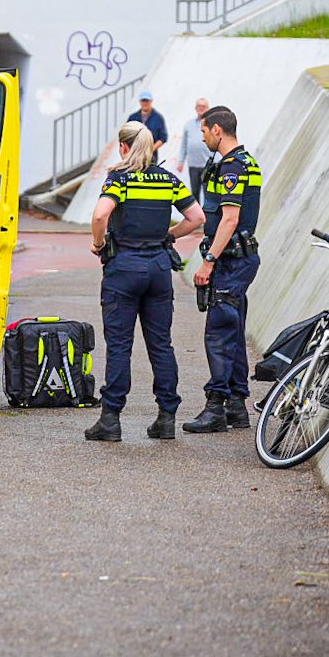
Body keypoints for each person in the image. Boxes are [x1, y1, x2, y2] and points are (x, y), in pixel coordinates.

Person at [86, 121, 205, 442]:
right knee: (161, 344)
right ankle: (166, 417)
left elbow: (100, 215)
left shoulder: (119, 179)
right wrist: (169, 236)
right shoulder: (167, 179)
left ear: (123, 147)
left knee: (120, 346)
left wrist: (98, 244)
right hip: (158, 269)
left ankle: (110, 420)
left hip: (123, 268)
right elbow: (197, 218)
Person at [184, 106, 263, 433]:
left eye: (204, 131)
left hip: (230, 261)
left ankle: (215, 407)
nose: (202, 137)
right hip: (238, 260)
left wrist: (209, 261)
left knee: (218, 333)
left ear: (218, 130)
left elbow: (229, 219)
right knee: (232, 331)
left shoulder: (232, 168)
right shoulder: (248, 163)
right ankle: (236, 406)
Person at [176, 96, 212, 204]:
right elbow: (184, 144)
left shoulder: (212, 125)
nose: (201, 108)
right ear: (195, 108)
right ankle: (197, 219)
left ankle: (208, 219)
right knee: (195, 193)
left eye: (204, 106)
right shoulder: (188, 125)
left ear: (208, 108)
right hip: (193, 165)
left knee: (208, 193)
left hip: (208, 165)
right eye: (199, 106)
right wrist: (181, 161)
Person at [126, 90, 169, 158]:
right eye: (143, 101)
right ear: (140, 102)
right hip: (134, 156)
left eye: (147, 101)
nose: (145, 103)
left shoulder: (158, 118)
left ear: (151, 101)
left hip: (151, 157)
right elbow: (126, 136)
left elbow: (163, 138)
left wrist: (150, 150)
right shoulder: (132, 118)